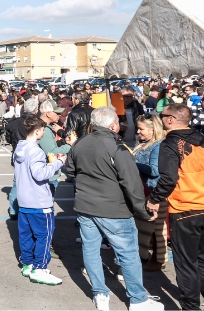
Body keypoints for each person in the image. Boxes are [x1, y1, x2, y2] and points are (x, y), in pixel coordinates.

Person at [66, 107, 162, 311]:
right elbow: (132, 183)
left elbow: (70, 170)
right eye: (118, 122)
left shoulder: (80, 143)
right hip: (113, 209)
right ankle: (138, 299)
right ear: (112, 126)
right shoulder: (117, 147)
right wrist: (142, 210)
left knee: (91, 251)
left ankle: (100, 294)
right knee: (128, 254)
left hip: (85, 206)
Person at [147, 104, 204, 310]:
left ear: (170, 119)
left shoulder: (171, 143)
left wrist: (154, 198)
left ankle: (191, 307)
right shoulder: (200, 138)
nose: (161, 120)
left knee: (186, 263)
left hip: (185, 209)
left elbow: (169, 178)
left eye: (162, 116)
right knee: (201, 259)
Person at [14, 116, 63, 285]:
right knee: (44, 236)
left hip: (24, 200)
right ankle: (40, 268)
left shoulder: (20, 147)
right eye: (42, 129)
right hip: (39, 201)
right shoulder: (35, 150)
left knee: (26, 236)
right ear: (37, 131)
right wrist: (57, 163)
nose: (44, 132)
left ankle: (28, 263)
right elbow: (40, 174)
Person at [132, 114, 168, 272]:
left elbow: (154, 171)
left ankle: (157, 260)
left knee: (155, 230)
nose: (138, 131)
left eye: (141, 128)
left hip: (153, 192)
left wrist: (132, 163)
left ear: (153, 129)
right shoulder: (143, 143)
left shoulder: (158, 145)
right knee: (146, 229)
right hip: (143, 190)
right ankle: (149, 257)